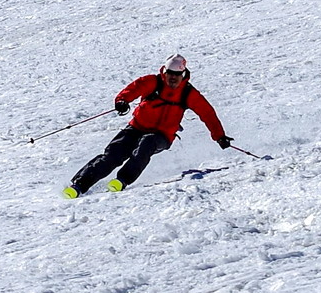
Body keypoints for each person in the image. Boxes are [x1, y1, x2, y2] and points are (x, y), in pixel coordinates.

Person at [64, 55, 231, 195]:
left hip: (162, 135)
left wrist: (219, 136)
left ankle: (122, 180)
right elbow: (133, 89)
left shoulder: (188, 93)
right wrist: (122, 101)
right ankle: (79, 185)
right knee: (113, 154)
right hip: (137, 127)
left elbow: (207, 113)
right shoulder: (153, 82)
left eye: (177, 74)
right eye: (170, 73)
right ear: (164, 72)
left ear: (183, 74)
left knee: (147, 143)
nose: (172, 78)